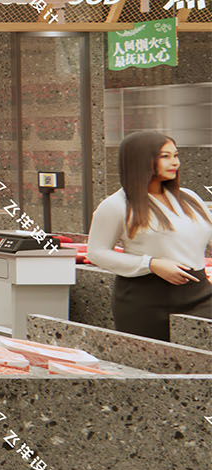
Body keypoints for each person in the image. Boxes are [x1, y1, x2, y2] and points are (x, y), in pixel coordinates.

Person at [84, 131, 210, 341]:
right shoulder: (115, 205)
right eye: (165, 156)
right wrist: (151, 264)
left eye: (176, 155)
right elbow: (96, 252)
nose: (175, 162)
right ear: (141, 159)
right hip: (145, 299)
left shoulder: (190, 198)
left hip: (199, 292)